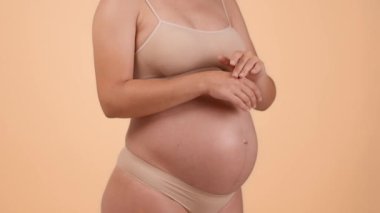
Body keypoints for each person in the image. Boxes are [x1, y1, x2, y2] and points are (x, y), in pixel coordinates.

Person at [92, 0, 276, 212]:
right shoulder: (122, 5)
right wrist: (202, 82)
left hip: (227, 198)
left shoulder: (225, 3)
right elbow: (112, 99)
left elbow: (264, 99)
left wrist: (258, 76)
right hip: (156, 188)